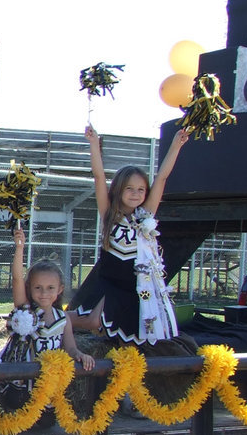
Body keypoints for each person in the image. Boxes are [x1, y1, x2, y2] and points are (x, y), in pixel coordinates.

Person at [72, 125, 189, 344]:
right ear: (118, 189)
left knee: (128, 334)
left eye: (141, 189)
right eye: (129, 188)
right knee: (93, 321)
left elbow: (162, 178)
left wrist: (176, 145)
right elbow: (98, 177)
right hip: (109, 282)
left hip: (134, 287)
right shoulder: (109, 213)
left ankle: (59, 320)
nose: (135, 193)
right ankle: (53, 320)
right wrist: (94, 144)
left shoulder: (146, 214)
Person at [0, 227, 95, 422]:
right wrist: (19, 248)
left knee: (46, 423)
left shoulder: (63, 318)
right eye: (38, 287)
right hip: (22, 387)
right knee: (19, 423)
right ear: (29, 288)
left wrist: (81, 355)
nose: (44, 293)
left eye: (50, 288)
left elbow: (70, 348)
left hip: (48, 388)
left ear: (60, 289)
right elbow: (17, 279)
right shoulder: (26, 312)